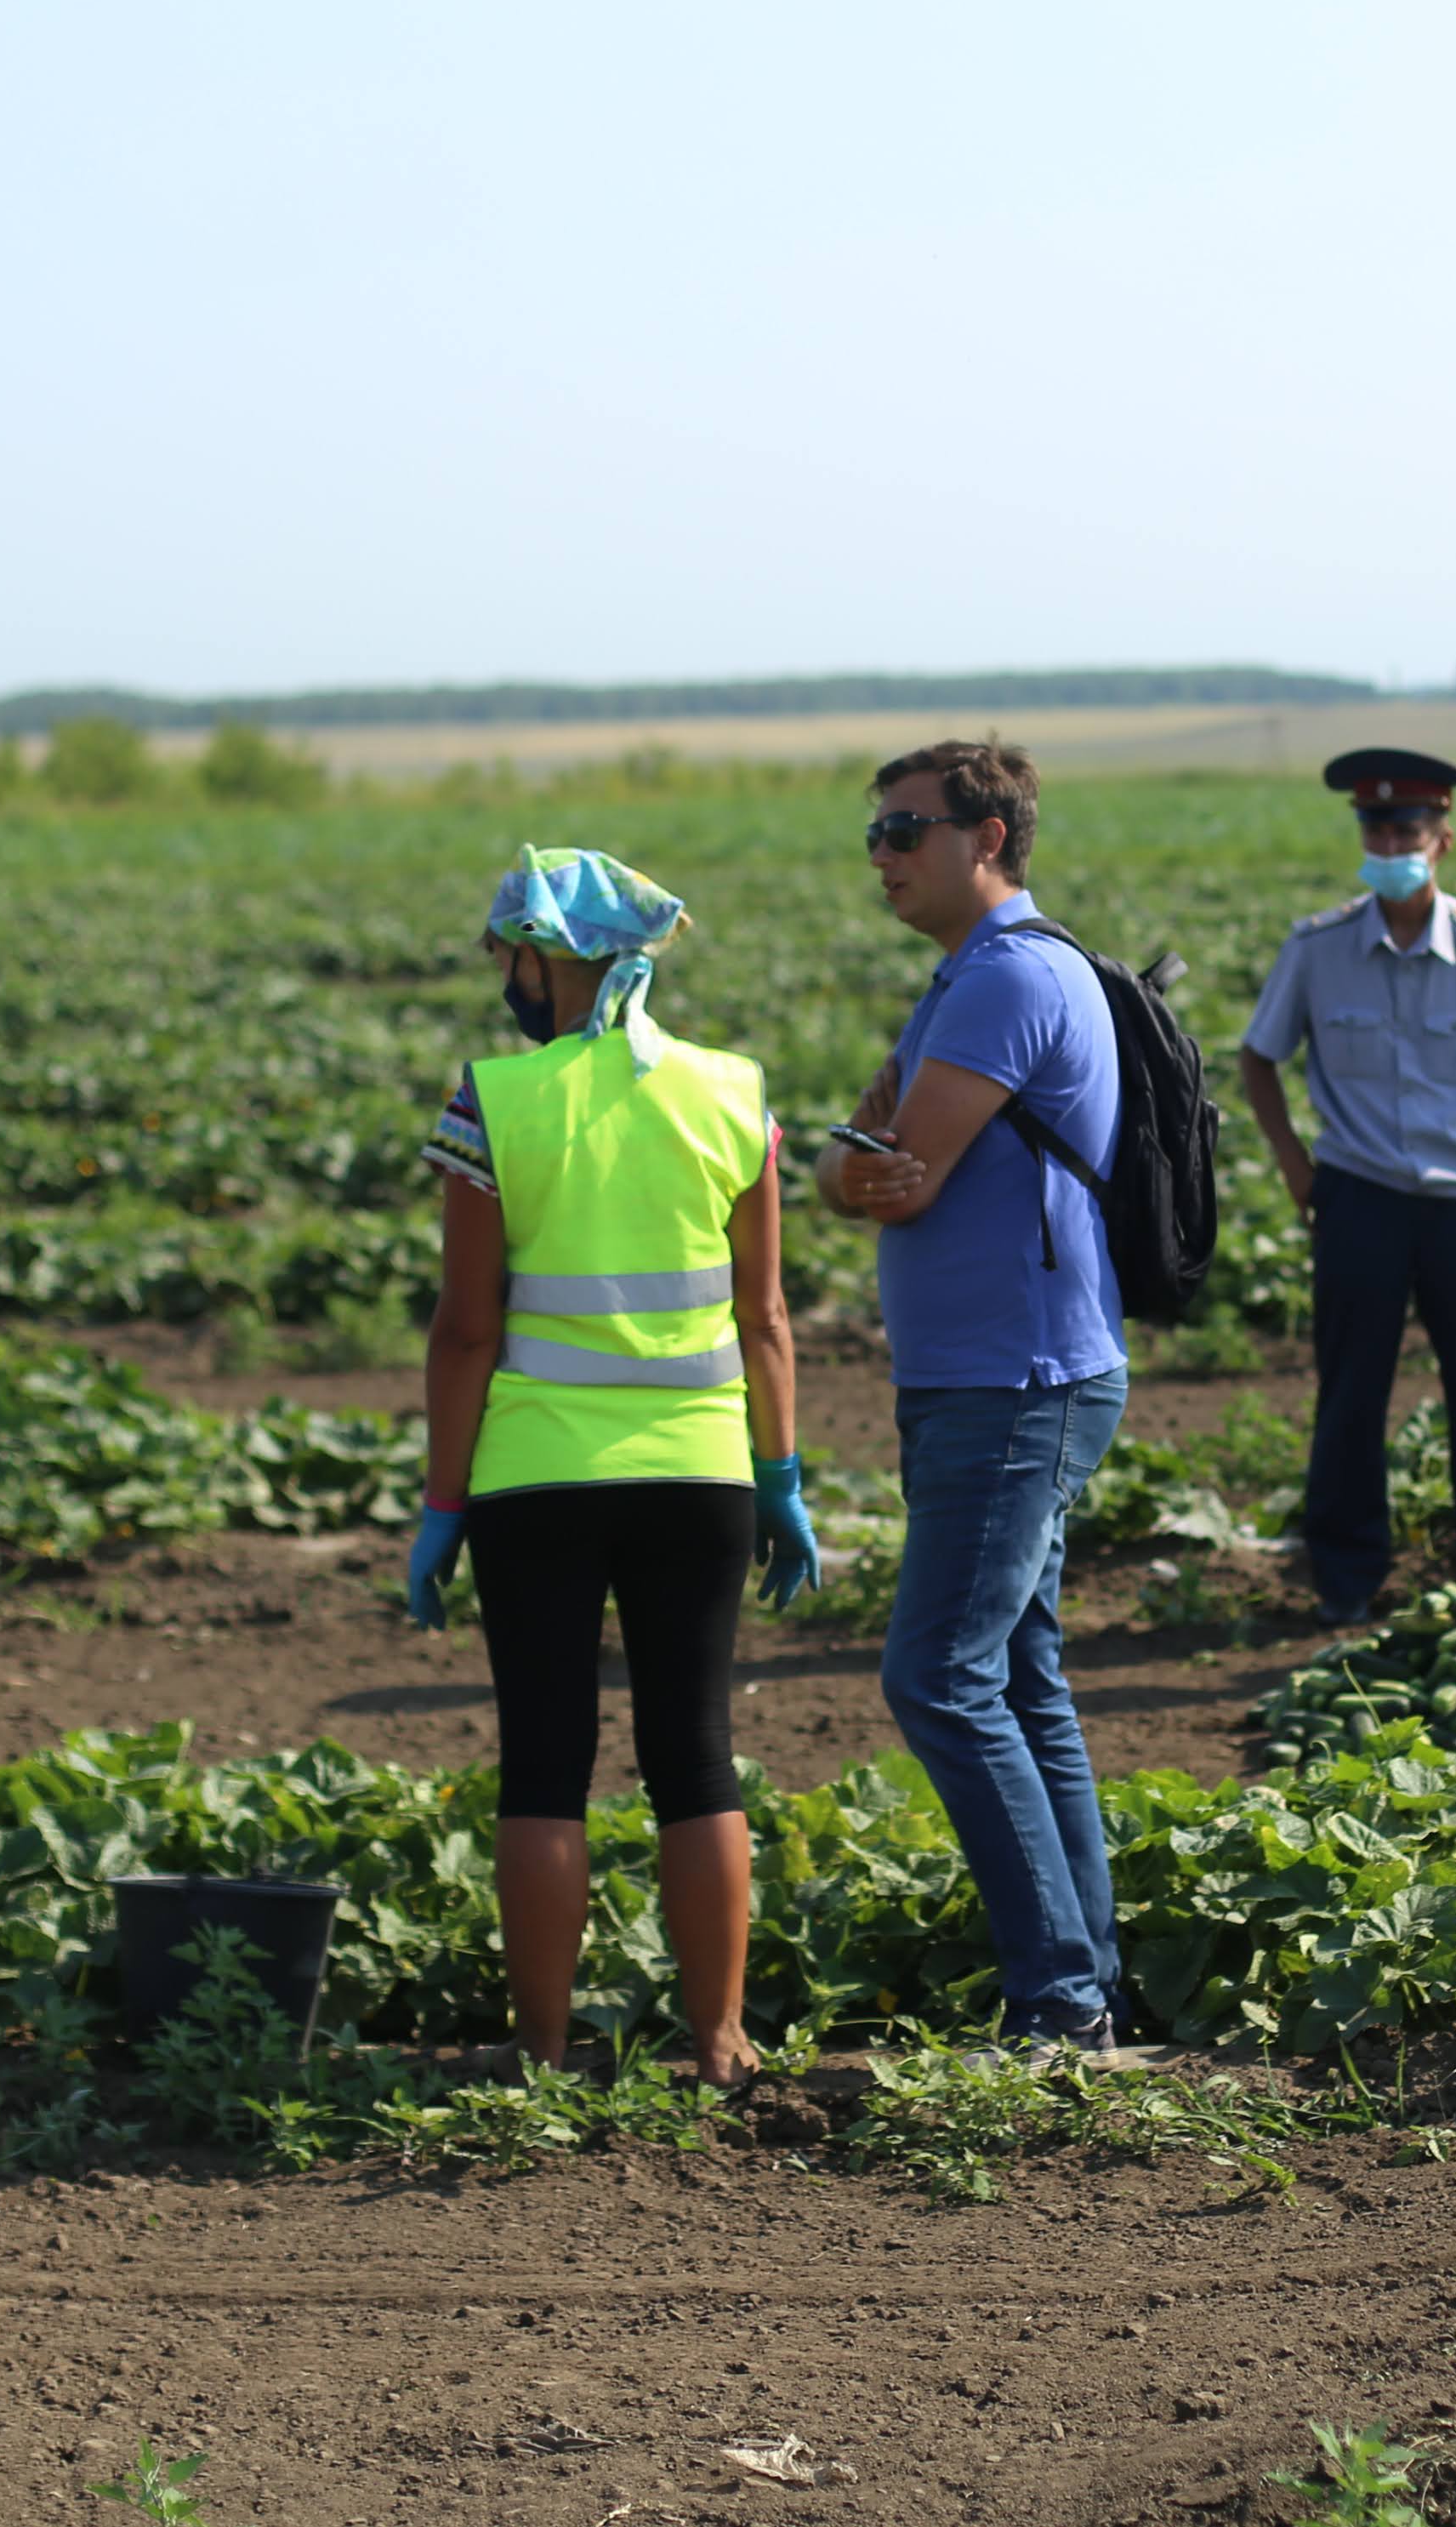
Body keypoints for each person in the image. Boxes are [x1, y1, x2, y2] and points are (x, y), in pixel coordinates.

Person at [404, 845, 821, 2089]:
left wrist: (441, 1504)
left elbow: (465, 1329)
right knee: (694, 1753)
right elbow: (765, 1317)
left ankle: (540, 2049)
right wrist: (781, 1477)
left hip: (533, 1480)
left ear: (547, 958)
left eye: (504, 953)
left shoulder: (492, 1100)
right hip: (700, 1472)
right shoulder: (734, 1093)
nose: (500, 976)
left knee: (543, 1761)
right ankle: (720, 2041)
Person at [810, 739, 1139, 2057]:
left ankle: (1058, 1998)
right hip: (999, 1373)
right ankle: (1087, 1982)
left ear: (987, 836)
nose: (881, 856)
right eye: (873, 834)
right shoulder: (976, 974)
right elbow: (865, 1168)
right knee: (1014, 1674)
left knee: (939, 1678)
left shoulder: (1005, 978)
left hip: (1013, 1381)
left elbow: (888, 1176)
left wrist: (855, 1155)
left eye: (904, 830)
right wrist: (857, 1160)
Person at [1236, 748, 1456, 1625]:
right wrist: (1296, 1166)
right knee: (1351, 1389)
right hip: (1360, 1195)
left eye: (1406, 831)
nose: (1389, 845)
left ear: (1441, 839)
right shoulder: (1318, 948)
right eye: (1375, 830)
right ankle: (1344, 1575)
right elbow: (1258, 1057)